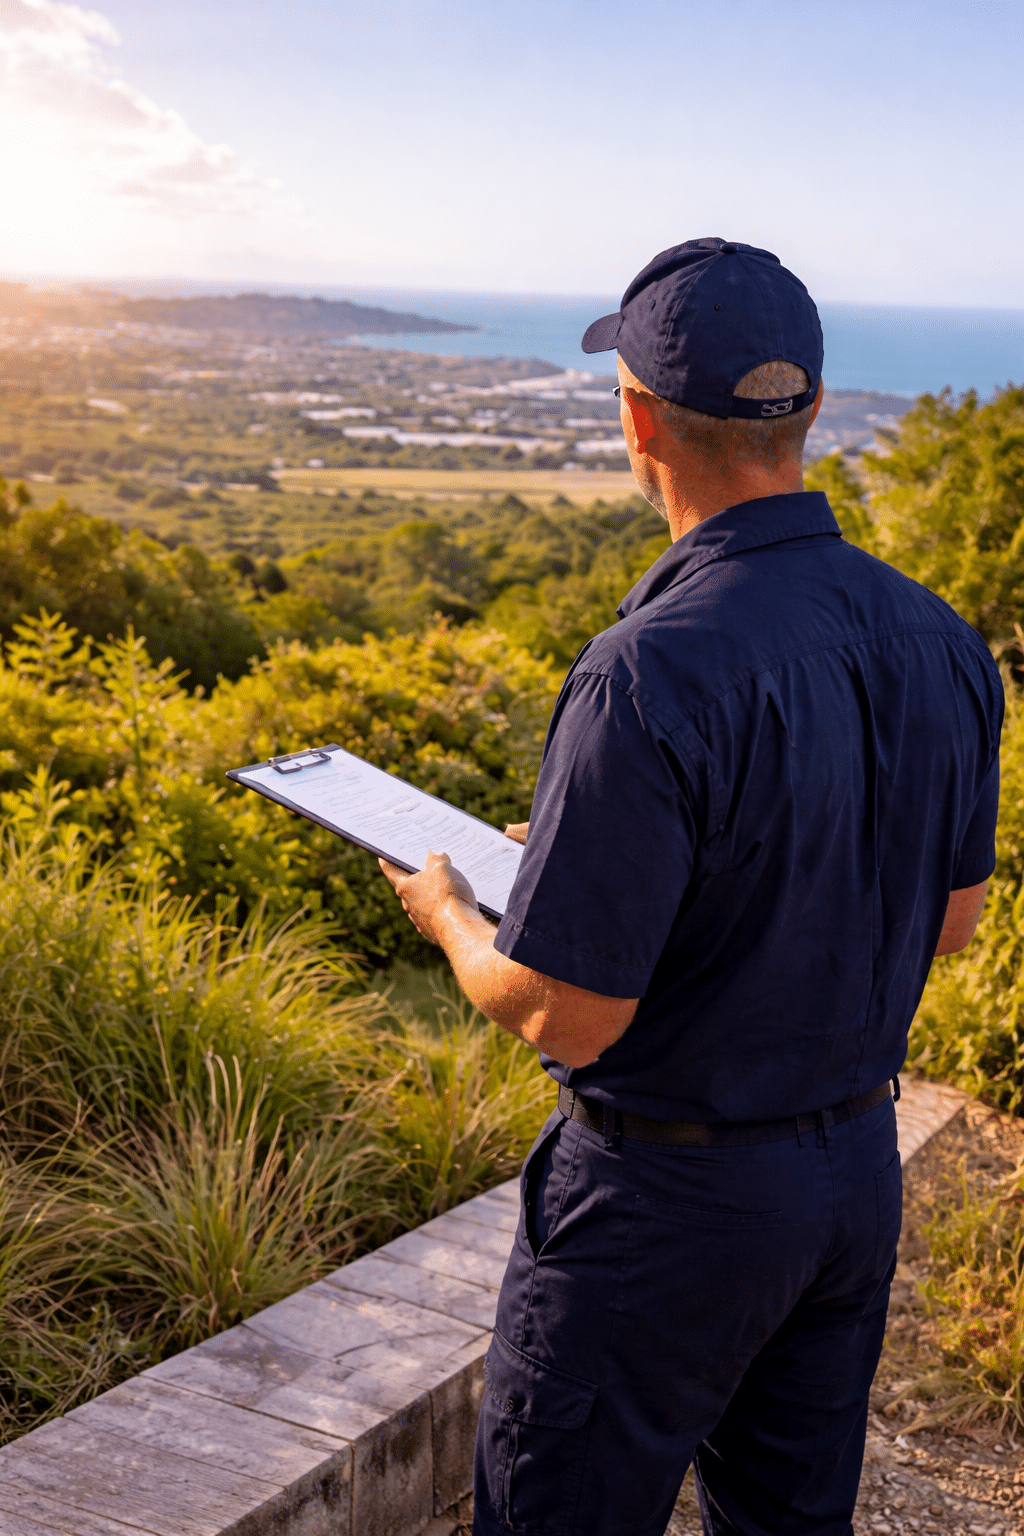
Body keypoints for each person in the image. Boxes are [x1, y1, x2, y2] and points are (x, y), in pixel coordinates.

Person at [379, 238, 1003, 1536]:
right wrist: (593, 848)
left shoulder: (644, 670)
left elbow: (568, 1014)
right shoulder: (943, 640)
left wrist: (449, 912)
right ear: (812, 409)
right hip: (848, 1182)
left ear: (638, 419)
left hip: (662, 1208)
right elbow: (952, 925)